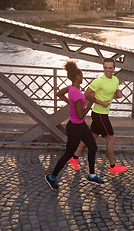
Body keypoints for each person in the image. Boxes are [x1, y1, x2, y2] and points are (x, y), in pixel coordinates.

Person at [45, 61, 104, 190]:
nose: (83, 77)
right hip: (75, 128)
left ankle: (92, 175)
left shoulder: (71, 88)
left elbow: (58, 94)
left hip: (80, 126)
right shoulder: (76, 94)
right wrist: (90, 103)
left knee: (92, 147)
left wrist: (69, 103)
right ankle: (52, 177)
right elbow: (81, 115)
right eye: (82, 74)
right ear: (78, 76)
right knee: (68, 154)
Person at [69, 58, 127, 174]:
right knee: (111, 139)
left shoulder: (115, 80)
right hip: (100, 114)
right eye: (105, 68)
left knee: (91, 138)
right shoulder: (99, 81)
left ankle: (74, 158)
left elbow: (112, 93)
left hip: (101, 114)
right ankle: (112, 166)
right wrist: (101, 103)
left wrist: (117, 94)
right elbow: (86, 94)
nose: (108, 70)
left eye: (110, 68)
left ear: (114, 69)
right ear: (103, 68)